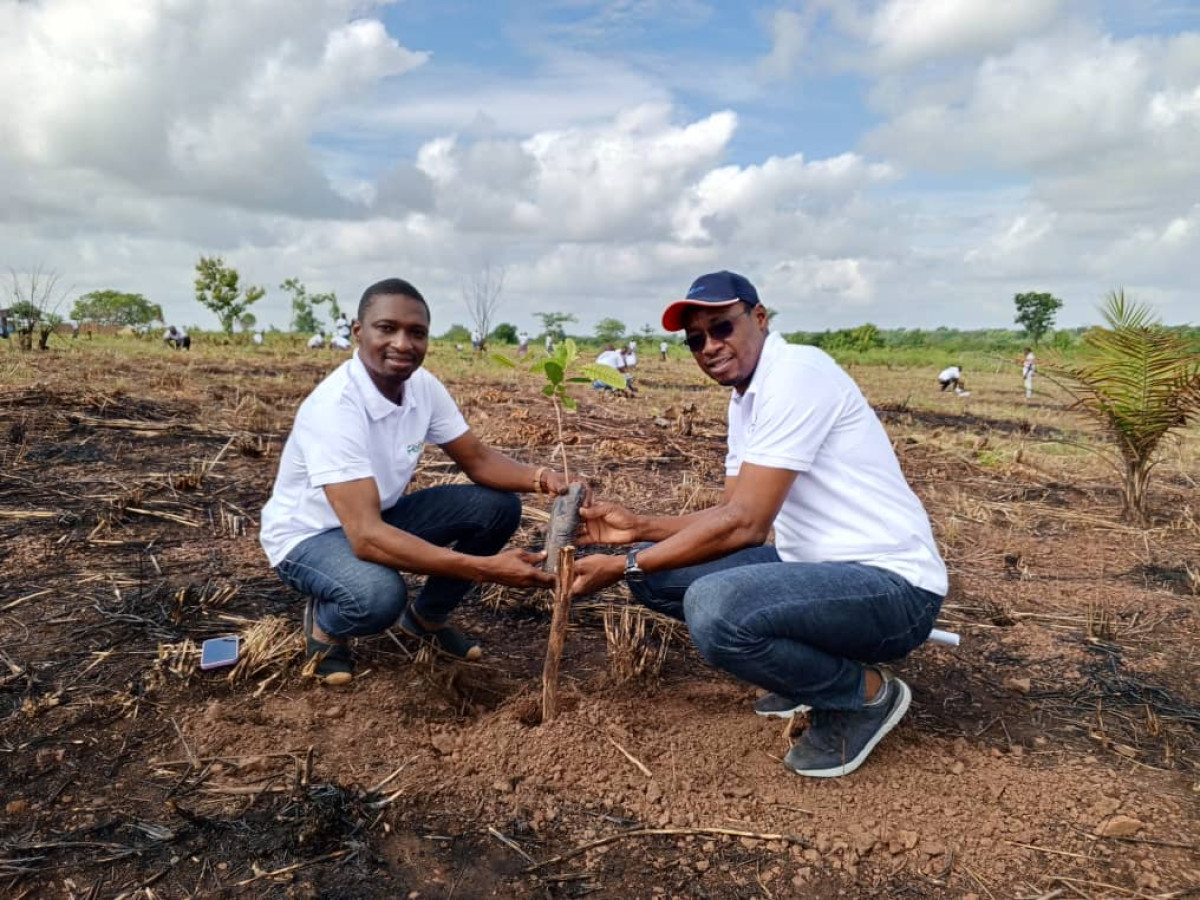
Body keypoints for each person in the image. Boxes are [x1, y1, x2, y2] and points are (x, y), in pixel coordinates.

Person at [570, 270, 947, 778]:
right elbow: (730, 514)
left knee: (714, 606)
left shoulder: (796, 374)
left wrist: (622, 565)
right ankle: (810, 675)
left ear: (760, 317)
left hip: (893, 589)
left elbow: (744, 526)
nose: (708, 347)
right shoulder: (746, 398)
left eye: (721, 327)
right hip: (819, 570)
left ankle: (864, 695)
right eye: (695, 339)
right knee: (660, 578)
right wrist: (636, 528)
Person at [261, 277, 568, 685]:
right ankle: (326, 627)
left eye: (416, 333)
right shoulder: (335, 408)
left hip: (377, 516)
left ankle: (425, 619)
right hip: (310, 536)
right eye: (387, 328)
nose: (403, 344)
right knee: (377, 596)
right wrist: (484, 569)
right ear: (358, 332)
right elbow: (366, 537)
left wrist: (545, 478)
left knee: (498, 508)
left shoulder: (421, 387)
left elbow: (477, 459)